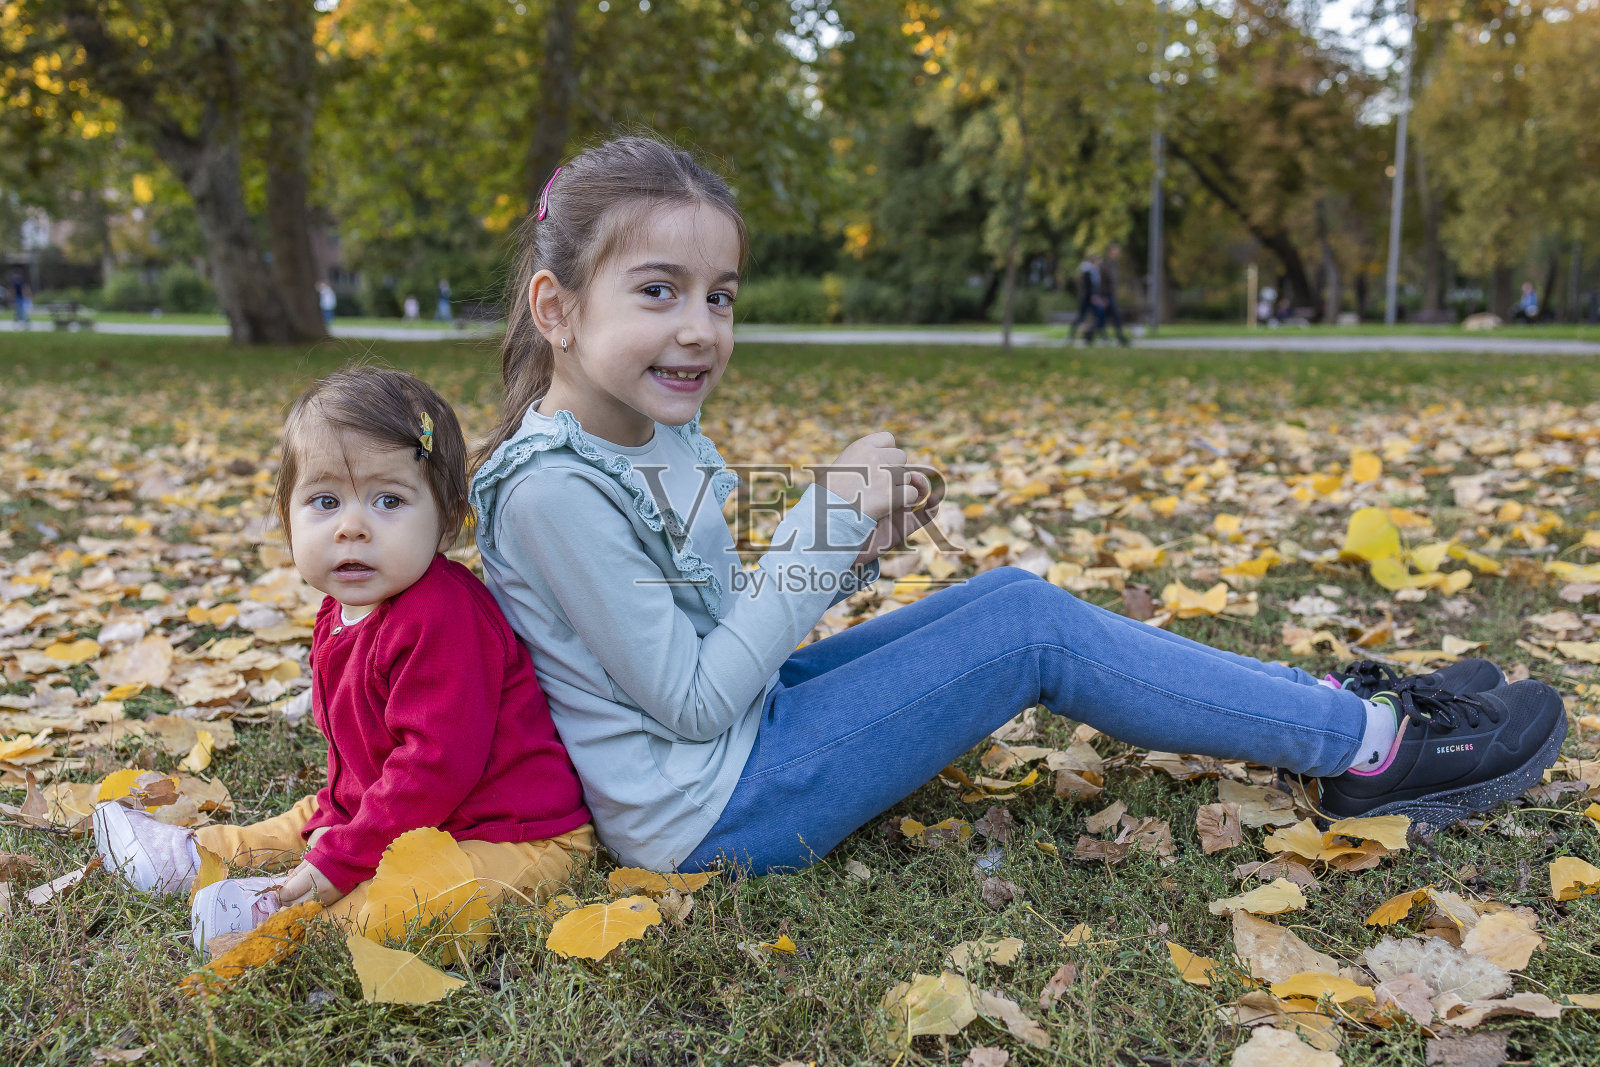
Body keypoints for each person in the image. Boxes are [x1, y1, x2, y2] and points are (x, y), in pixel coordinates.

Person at [468, 135, 1568, 878]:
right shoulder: (554, 487)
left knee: (1006, 595)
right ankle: (1369, 750)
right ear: (556, 308)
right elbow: (693, 702)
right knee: (1026, 630)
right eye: (657, 291)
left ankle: (1342, 708)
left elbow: (714, 637)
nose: (701, 328)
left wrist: (852, 548)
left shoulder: (644, 428)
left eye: (720, 295)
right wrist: (823, 523)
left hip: (740, 739)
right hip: (706, 811)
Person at [92, 367, 594, 948]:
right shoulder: (340, 611)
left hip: (510, 835)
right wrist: (341, 829)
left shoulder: (444, 614)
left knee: (422, 895)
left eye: (388, 500)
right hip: (403, 808)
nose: (352, 527)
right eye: (325, 501)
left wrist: (342, 861)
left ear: (449, 520)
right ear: (287, 519)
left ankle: (294, 926)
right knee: (312, 819)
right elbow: (359, 759)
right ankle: (195, 858)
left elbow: (435, 765)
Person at [1068, 254, 1104, 344]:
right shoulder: (1088, 272)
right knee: (1084, 317)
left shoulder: (1094, 272)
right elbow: (1088, 287)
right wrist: (1093, 296)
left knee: (1096, 317)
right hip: (1088, 299)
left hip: (1091, 298)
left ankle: (1090, 337)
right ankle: (1072, 335)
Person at [1100, 244, 1130, 347]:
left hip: (1111, 295)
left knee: (1104, 317)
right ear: (1109, 253)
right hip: (1106, 296)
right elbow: (1102, 283)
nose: (1118, 254)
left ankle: (1090, 335)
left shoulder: (1114, 265)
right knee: (1115, 316)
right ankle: (1120, 337)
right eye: (1115, 251)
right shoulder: (1105, 265)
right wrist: (1103, 296)